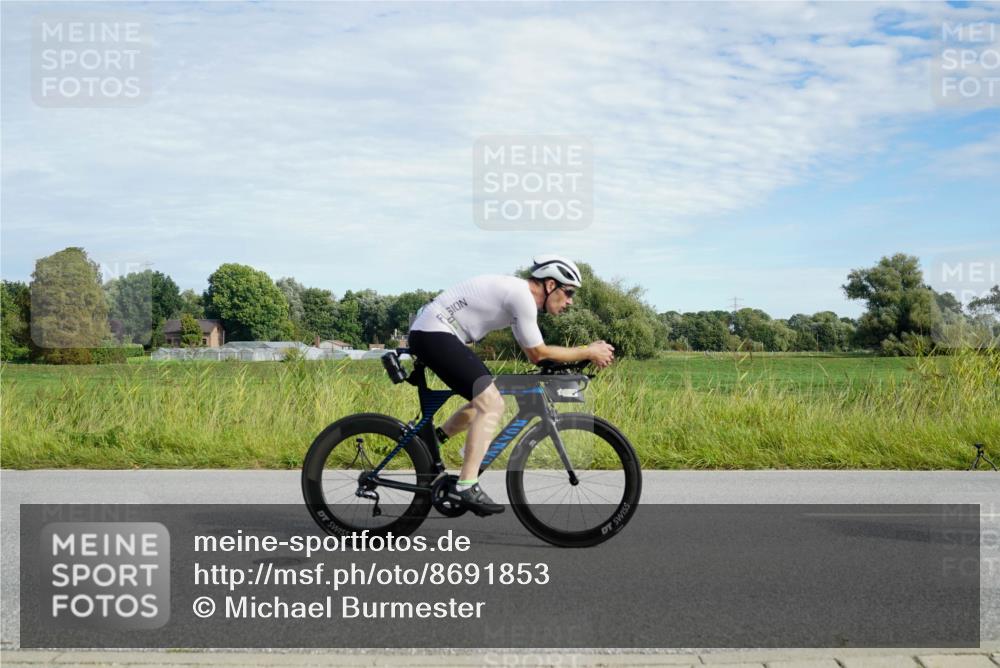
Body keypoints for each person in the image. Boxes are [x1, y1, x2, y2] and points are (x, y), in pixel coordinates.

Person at [407, 255, 615, 516]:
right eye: (569, 292)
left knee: (488, 394)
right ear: (551, 285)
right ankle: (466, 485)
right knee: (491, 403)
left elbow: (534, 354)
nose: (570, 301)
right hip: (435, 332)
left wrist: (574, 359)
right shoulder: (521, 296)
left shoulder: (518, 300)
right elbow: (539, 353)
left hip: (439, 332)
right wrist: (587, 351)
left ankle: (431, 441)